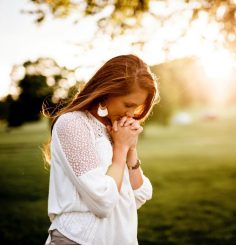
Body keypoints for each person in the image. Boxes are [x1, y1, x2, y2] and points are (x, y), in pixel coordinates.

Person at [44, 54, 159, 245]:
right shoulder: (73, 124)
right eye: (128, 104)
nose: (131, 114)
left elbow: (139, 194)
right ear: (107, 91)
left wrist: (131, 148)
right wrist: (121, 149)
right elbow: (103, 200)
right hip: (78, 239)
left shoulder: (115, 129)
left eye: (137, 107)